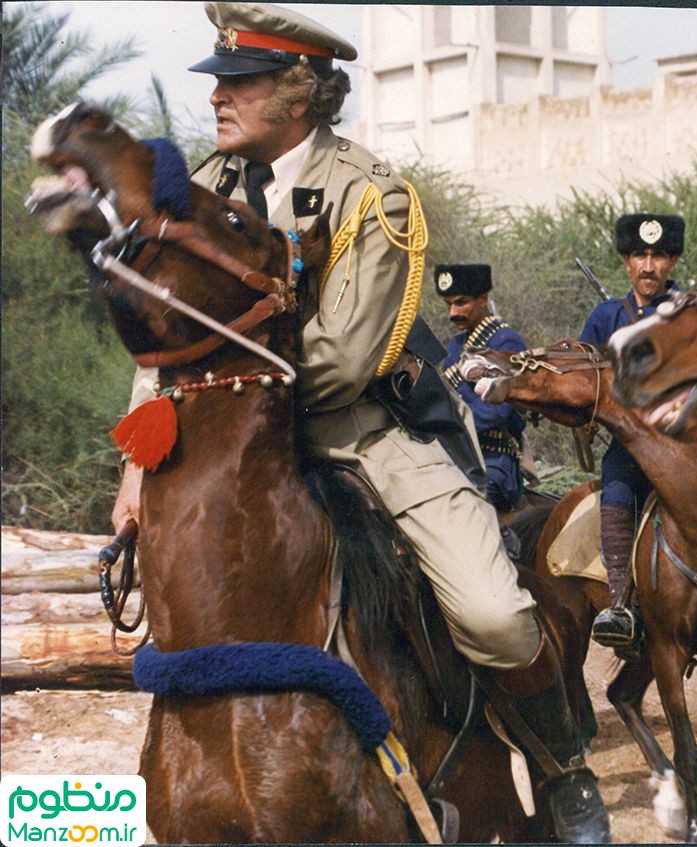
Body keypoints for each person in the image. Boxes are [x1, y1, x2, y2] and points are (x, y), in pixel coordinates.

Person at [109, 4, 608, 841]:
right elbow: (168, 331)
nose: (218, 98)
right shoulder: (207, 190)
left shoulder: (373, 194)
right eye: (219, 81)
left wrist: (223, 398)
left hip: (360, 434)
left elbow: (344, 356)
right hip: (222, 442)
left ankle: (563, 766)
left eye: (241, 82)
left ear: (299, 95)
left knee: (492, 612)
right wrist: (139, 455)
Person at [579, 214, 697, 653]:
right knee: (615, 491)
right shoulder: (606, 316)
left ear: (673, 261)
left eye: (659, 257)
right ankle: (620, 605)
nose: (649, 267)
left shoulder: (692, 309)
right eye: (640, 256)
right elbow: (586, 381)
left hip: (695, 431)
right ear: (627, 261)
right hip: (632, 441)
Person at [436, 264, 529, 514]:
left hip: (493, 459)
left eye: (461, 302)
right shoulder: (456, 346)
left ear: (483, 299)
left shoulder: (504, 341)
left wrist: (446, 425)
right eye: (448, 304)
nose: (453, 312)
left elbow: (494, 413)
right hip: (458, 455)